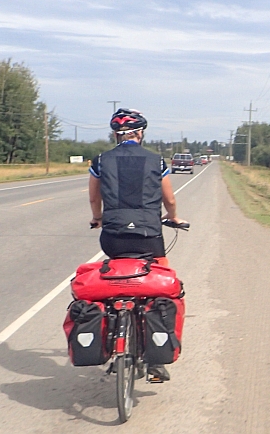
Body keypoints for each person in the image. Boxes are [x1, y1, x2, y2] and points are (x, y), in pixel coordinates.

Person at [88, 108, 183, 382]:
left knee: (113, 283)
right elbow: (170, 201)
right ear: (140, 133)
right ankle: (155, 359)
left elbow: (95, 200)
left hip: (113, 236)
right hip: (149, 235)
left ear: (116, 135)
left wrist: (97, 219)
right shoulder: (156, 160)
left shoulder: (101, 161)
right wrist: (174, 218)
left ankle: (109, 334)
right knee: (160, 288)